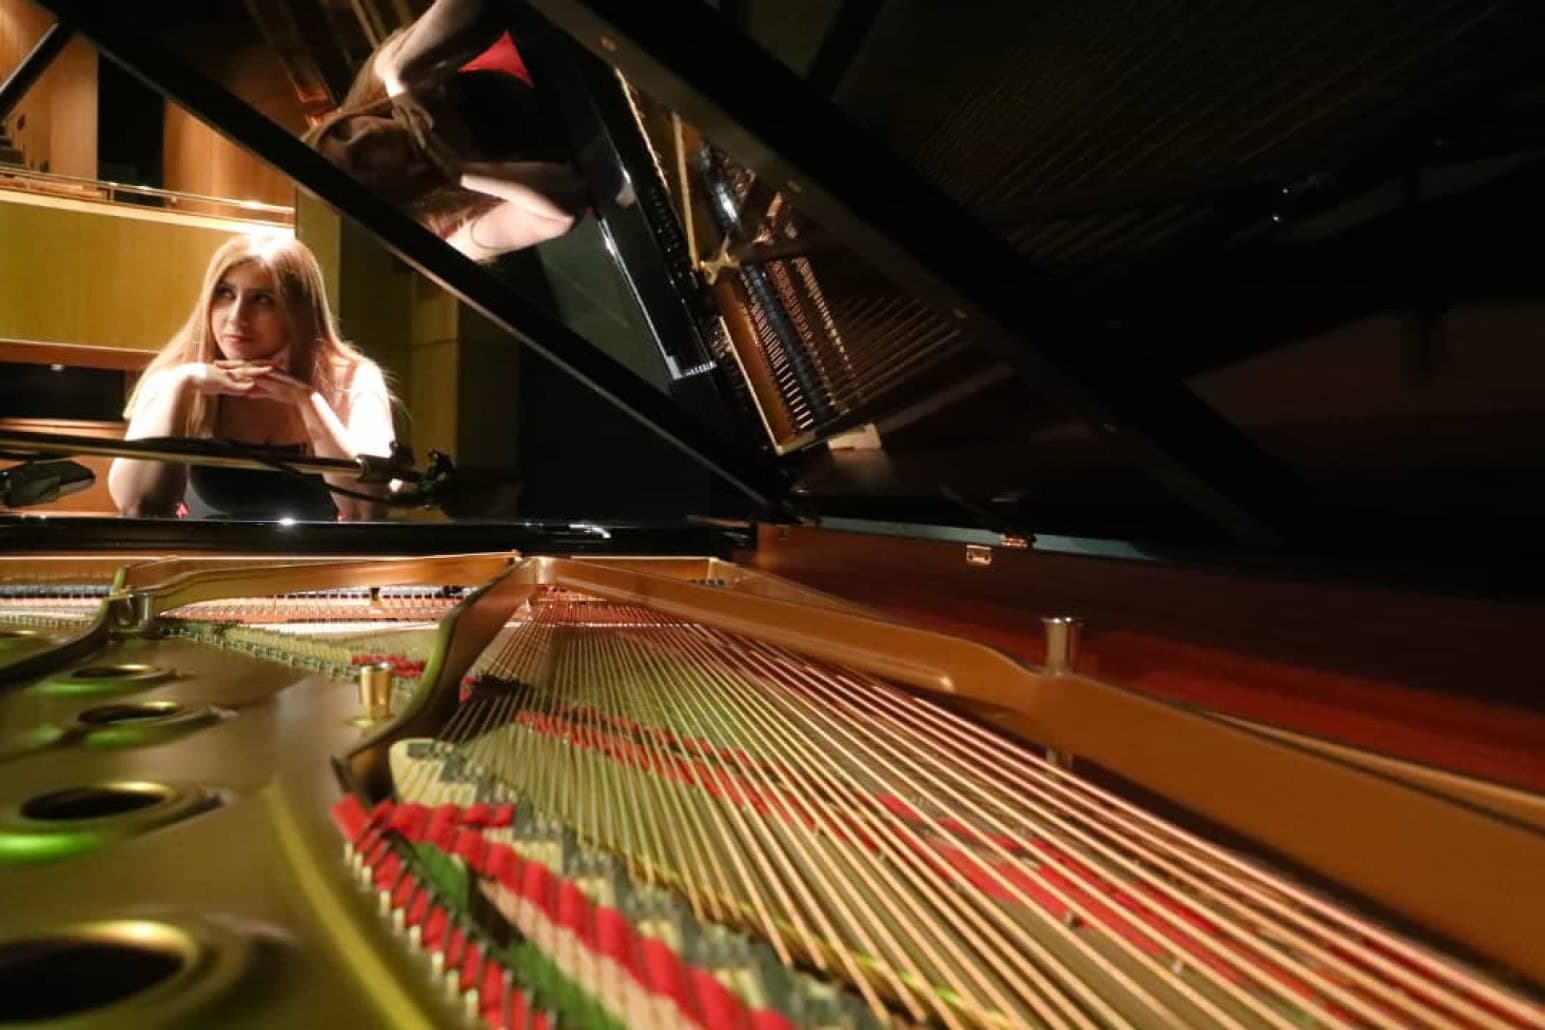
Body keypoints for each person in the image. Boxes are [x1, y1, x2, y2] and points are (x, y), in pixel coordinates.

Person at [108, 234, 395, 521]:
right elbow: (138, 507)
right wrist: (181, 387)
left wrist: (307, 402)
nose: (236, 317)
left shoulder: (354, 379)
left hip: (322, 551)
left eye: (262, 299)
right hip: (209, 550)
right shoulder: (176, 378)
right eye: (225, 293)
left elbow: (368, 509)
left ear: (299, 311)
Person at [303, 0, 594, 260]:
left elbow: (487, 8)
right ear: (381, 195)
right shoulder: (453, 230)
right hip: (600, 141)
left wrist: (402, 73)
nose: (366, 134)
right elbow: (569, 199)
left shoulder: (380, 84)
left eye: (343, 132)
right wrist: (464, 173)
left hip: (572, 45)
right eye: (360, 159)